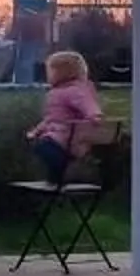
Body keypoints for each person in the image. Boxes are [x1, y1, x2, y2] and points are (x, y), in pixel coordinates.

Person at [26, 48, 107, 185]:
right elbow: (51, 118)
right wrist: (36, 131)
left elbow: (89, 107)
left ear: (61, 72)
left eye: (50, 71)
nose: (47, 74)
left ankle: (57, 177)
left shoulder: (74, 91)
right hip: (59, 136)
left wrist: (94, 116)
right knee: (41, 145)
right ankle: (56, 177)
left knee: (45, 147)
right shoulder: (61, 92)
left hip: (66, 140)